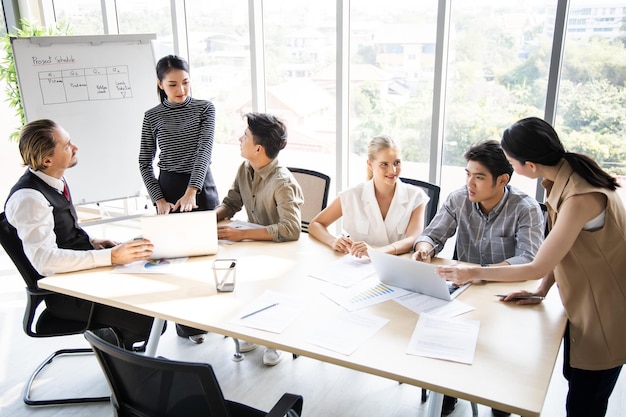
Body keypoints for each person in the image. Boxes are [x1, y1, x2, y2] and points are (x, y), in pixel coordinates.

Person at [436, 117, 626, 417]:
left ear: (530, 166)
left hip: (607, 312)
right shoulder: (567, 179)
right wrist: (542, 290)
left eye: (511, 160)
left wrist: (474, 271)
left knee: (584, 405)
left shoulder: (580, 197)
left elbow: (537, 263)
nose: (509, 165)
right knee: (576, 385)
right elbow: (564, 248)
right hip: (583, 306)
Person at [412, 140, 545, 417]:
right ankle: (447, 393)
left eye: (479, 177)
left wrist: (479, 272)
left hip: (504, 297)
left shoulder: (526, 208)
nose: (470, 183)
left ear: (502, 180)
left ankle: (500, 404)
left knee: (501, 353)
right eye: (468, 174)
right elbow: (432, 235)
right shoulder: (459, 197)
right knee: (436, 326)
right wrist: (424, 249)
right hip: (464, 290)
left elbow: (530, 259)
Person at [4, 119, 157, 349]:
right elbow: (44, 261)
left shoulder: (54, 179)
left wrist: (93, 242)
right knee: (150, 317)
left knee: (151, 284)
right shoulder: (29, 199)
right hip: (66, 294)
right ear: (47, 160)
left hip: (80, 277)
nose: (75, 147)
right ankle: (118, 358)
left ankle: (116, 344)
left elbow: (60, 230)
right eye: (67, 145)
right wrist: (112, 257)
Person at [139, 54, 219, 343]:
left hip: (200, 187)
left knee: (205, 259)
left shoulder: (204, 109)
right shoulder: (152, 116)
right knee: (173, 262)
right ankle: (186, 325)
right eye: (173, 84)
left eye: (185, 82)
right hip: (168, 188)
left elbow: (203, 152)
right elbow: (144, 162)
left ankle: (215, 319)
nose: (181, 90)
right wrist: (159, 198)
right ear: (160, 84)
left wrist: (191, 192)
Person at [215, 112, 303, 366]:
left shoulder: (282, 182)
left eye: (245, 136)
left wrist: (242, 234)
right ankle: (253, 333)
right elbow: (231, 202)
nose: (239, 139)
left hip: (283, 253)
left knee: (269, 290)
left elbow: (291, 228)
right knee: (246, 286)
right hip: (255, 246)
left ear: (258, 148)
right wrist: (208, 221)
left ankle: (275, 340)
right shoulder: (245, 168)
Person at [309, 135, 428, 258]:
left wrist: (376, 252)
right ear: (370, 164)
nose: (393, 170)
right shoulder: (352, 195)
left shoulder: (416, 196)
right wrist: (333, 241)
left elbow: (413, 239)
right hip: (357, 265)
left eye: (396, 163)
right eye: (384, 164)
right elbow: (316, 224)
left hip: (396, 266)